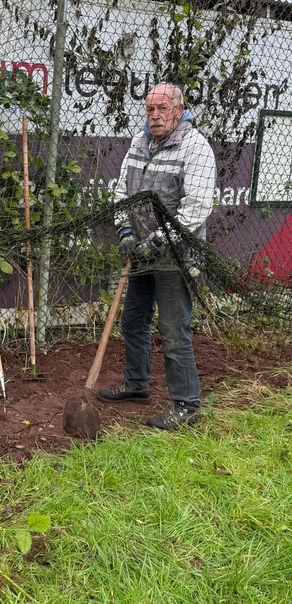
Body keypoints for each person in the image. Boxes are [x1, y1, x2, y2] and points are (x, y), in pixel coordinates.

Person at [98, 82, 216, 429]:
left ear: (178, 111)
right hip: (140, 250)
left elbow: (197, 208)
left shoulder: (196, 148)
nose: (154, 116)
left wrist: (158, 241)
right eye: (150, 109)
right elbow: (122, 190)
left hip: (174, 255)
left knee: (172, 328)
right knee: (133, 320)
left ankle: (187, 405)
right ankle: (137, 384)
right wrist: (125, 230)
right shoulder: (139, 143)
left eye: (162, 109)